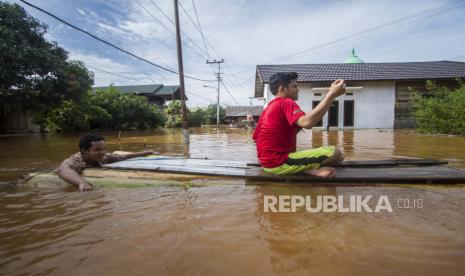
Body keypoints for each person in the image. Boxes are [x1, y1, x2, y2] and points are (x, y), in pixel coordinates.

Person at [253, 72, 346, 178]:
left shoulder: (268, 108)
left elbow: (256, 137)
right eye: (294, 86)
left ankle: (304, 169)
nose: (298, 89)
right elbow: (307, 123)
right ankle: (307, 170)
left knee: (335, 156)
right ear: (282, 89)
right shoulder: (286, 102)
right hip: (278, 163)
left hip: (266, 164)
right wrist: (331, 94)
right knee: (335, 152)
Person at [57, 134, 154, 192]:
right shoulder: (77, 159)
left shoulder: (103, 157)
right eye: (97, 150)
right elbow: (63, 169)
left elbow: (122, 157)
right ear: (84, 151)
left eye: (104, 149)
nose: (103, 152)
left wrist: (146, 153)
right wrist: (81, 183)